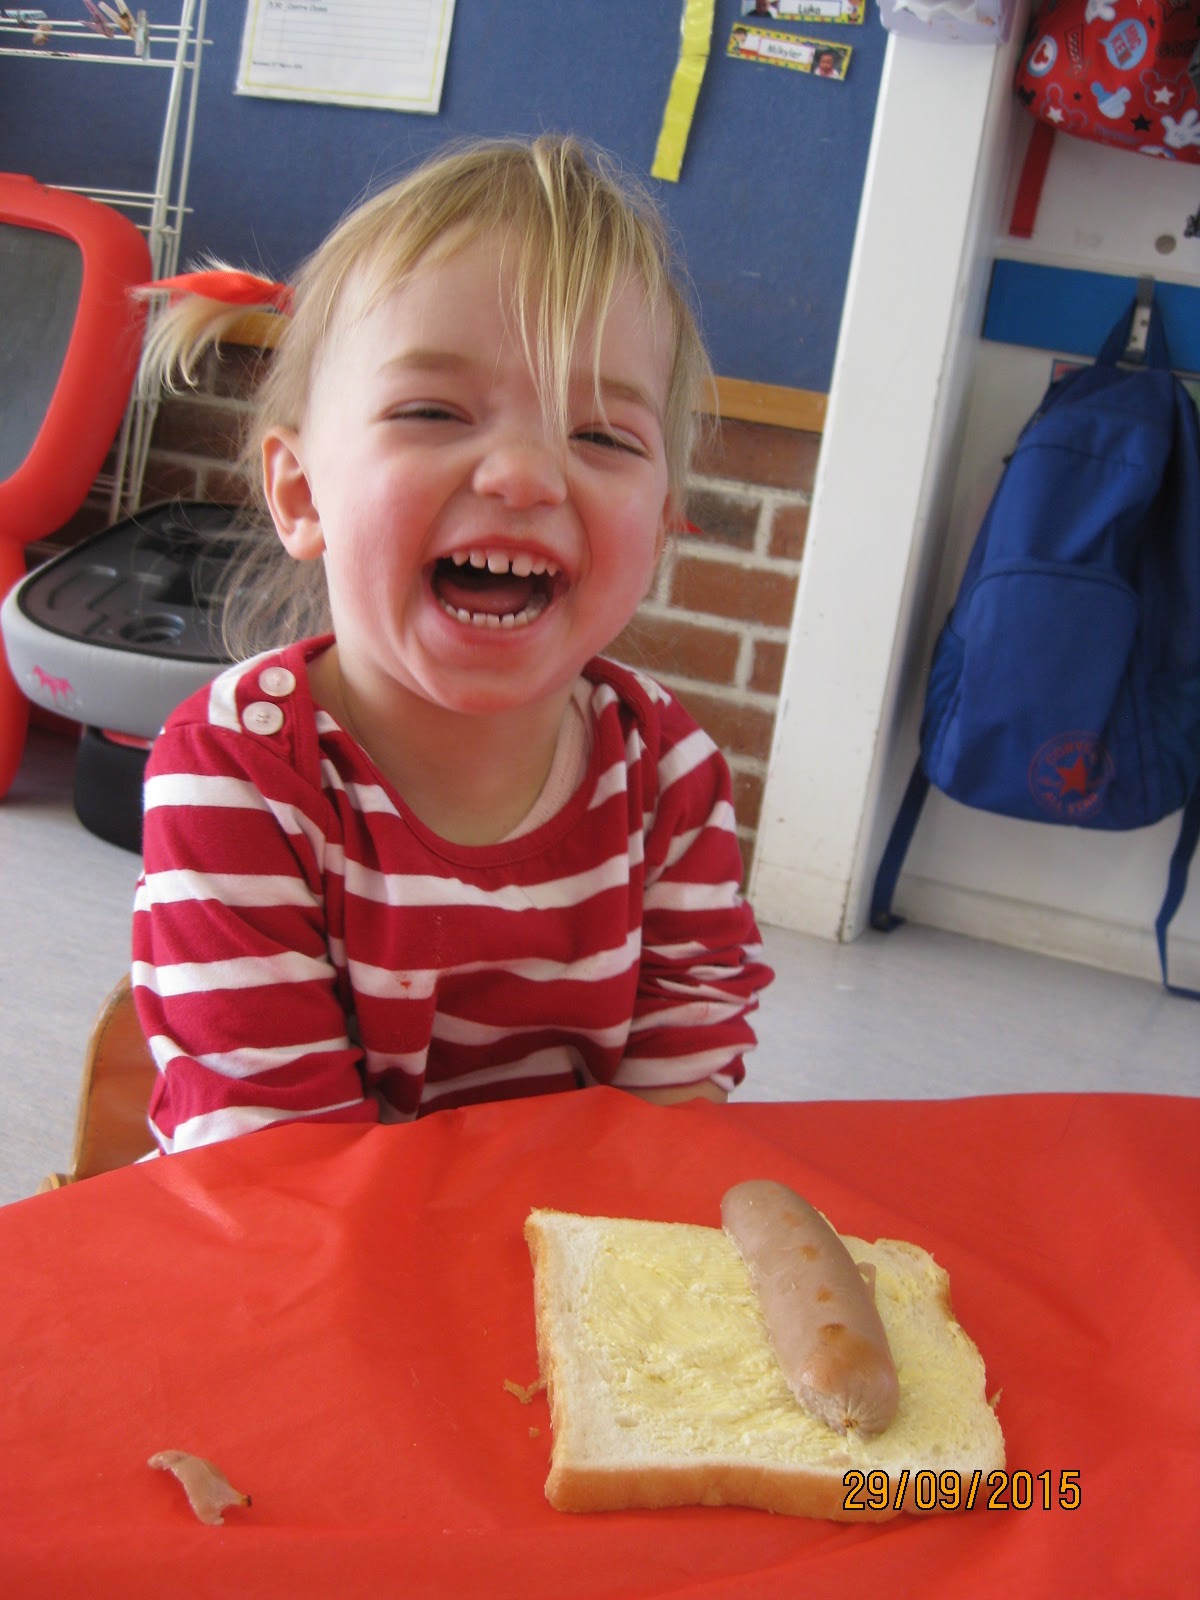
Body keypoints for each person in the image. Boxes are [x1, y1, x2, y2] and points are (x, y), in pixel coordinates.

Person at [132, 134, 773, 1154]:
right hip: (297, 1229)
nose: (525, 475)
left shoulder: (670, 776)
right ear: (302, 495)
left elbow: (671, 1120)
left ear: (660, 530)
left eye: (602, 436)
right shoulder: (235, 774)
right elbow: (280, 1173)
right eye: (432, 411)